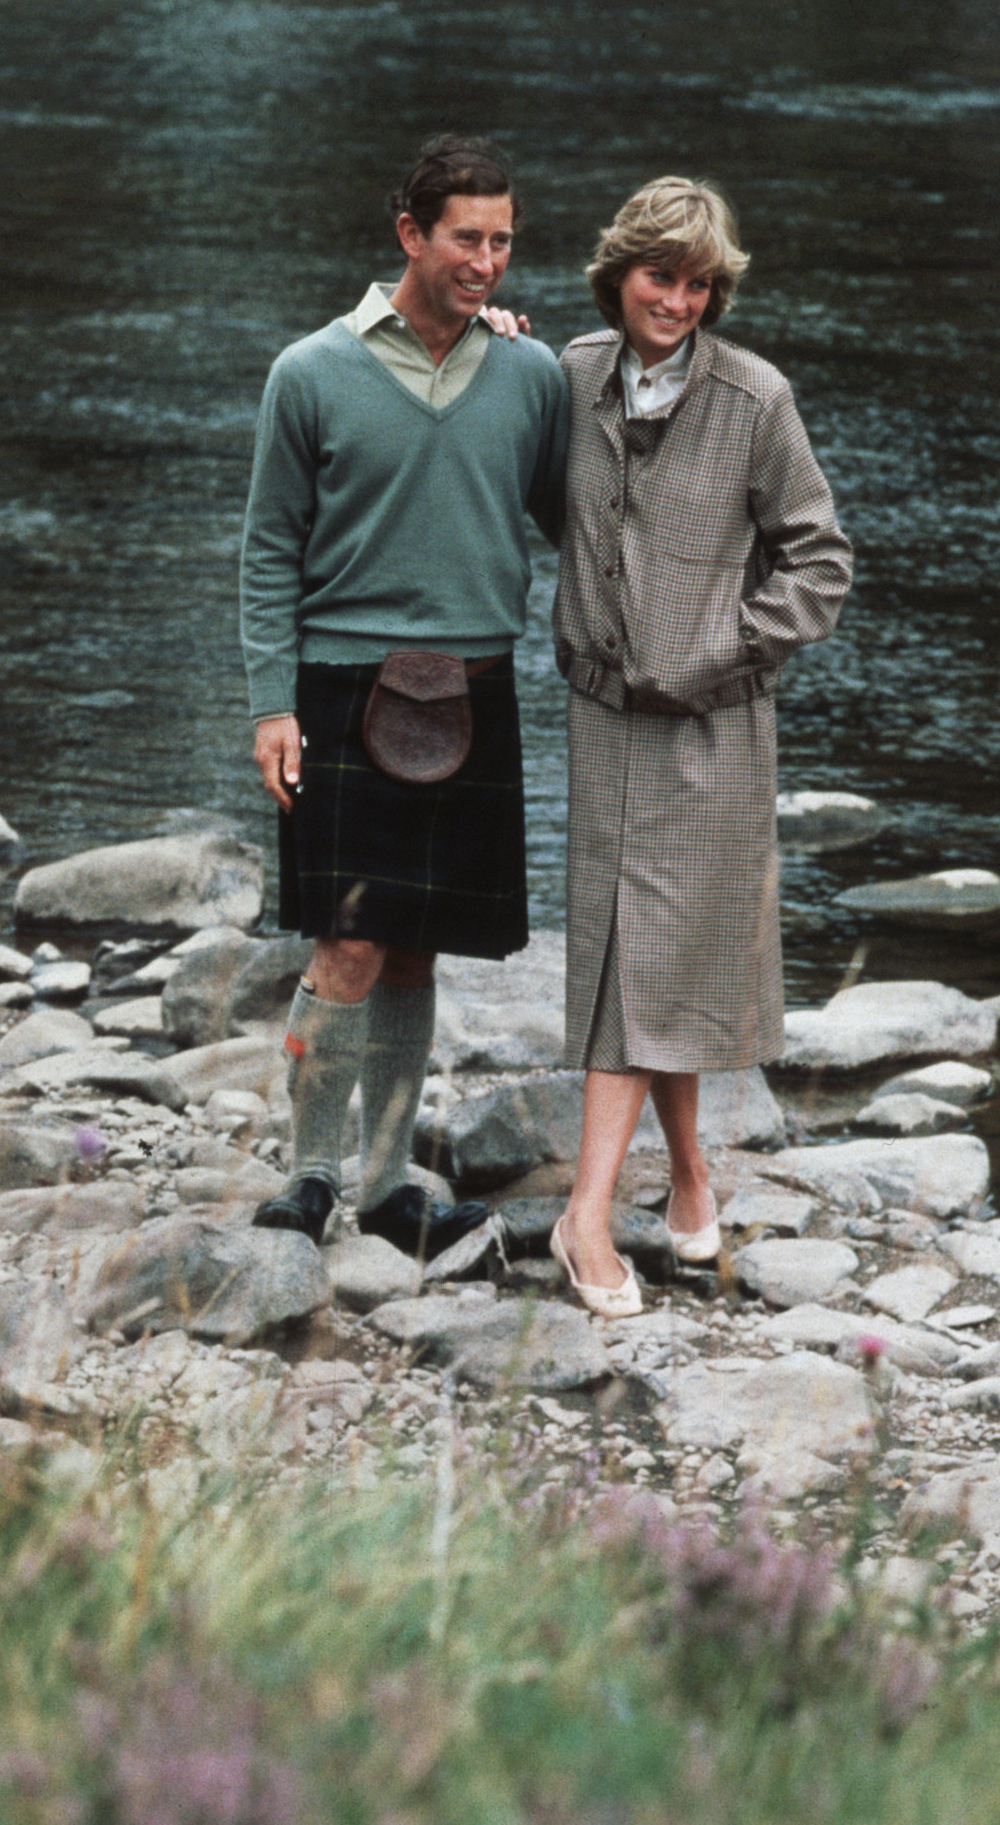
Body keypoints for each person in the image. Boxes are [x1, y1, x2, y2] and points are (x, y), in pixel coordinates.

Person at [239, 134, 570, 1258]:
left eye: (503, 241)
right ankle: (308, 1175)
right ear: (409, 236)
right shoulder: (309, 371)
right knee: (346, 947)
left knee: (417, 945)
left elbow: (576, 518)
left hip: (472, 689)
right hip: (340, 685)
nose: (486, 260)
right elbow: (266, 549)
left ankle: (386, 1184)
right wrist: (268, 704)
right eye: (465, 238)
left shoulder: (528, 376)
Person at [548, 177, 854, 1316]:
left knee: (650, 954)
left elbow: (819, 565)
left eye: (695, 282)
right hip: (597, 721)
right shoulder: (567, 377)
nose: (674, 298)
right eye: (655, 275)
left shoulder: (755, 398)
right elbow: (555, 511)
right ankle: (684, 1180)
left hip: (711, 729)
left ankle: (582, 1218)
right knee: (635, 955)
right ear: (616, 274)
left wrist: (720, 651)